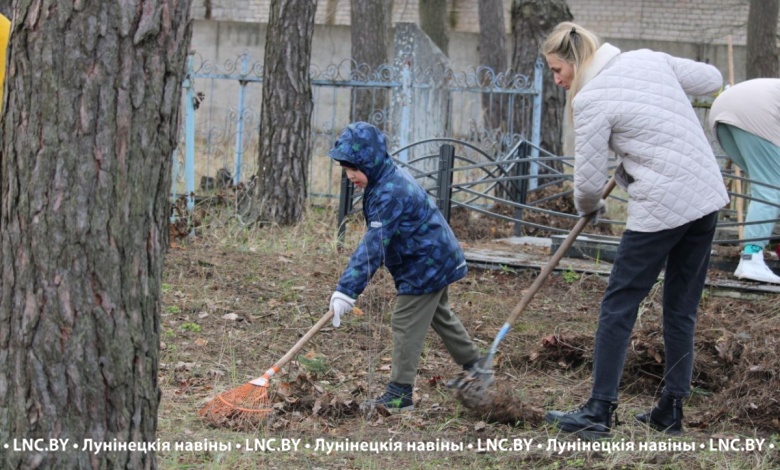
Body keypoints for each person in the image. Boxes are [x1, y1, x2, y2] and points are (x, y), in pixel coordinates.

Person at [541, 22, 729, 439]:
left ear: (576, 60)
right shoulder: (648, 58)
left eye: (557, 70)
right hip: (705, 195)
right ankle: (671, 409)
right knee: (680, 307)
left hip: (663, 204)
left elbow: (588, 186)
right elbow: (712, 79)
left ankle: (599, 409)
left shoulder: (591, 99)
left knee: (618, 305)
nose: (557, 80)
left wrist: (592, 207)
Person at [327, 121, 481, 412]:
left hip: (427, 262)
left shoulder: (389, 192)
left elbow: (374, 244)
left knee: (404, 321)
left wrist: (347, 290)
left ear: (369, 163)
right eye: (346, 171)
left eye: (353, 170)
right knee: (439, 315)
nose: (349, 177)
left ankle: (399, 395)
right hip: (433, 256)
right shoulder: (382, 180)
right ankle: (476, 366)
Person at [709, 78, 780, 284]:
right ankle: (751, 258)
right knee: (770, 188)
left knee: (767, 185)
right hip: (755, 110)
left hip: (725, 109)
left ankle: (756, 253)